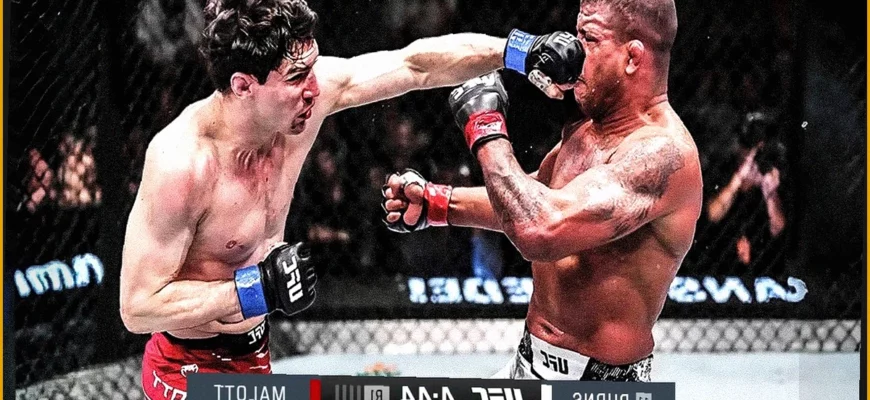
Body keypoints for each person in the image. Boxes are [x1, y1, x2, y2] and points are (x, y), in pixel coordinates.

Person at [119, 0, 582, 397]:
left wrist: (519, 50)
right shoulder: (183, 164)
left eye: (312, 68)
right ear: (243, 86)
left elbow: (415, 65)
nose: (314, 89)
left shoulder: (302, 103)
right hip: (185, 369)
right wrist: (252, 289)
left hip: (254, 350)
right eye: (297, 77)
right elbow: (138, 307)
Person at [382, 0, 702, 381]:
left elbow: (540, 227)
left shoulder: (663, 155)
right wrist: (439, 204)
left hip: (600, 386)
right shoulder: (588, 128)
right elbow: (534, 197)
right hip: (527, 361)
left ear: (632, 58)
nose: (573, 51)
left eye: (589, 39)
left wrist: (486, 130)